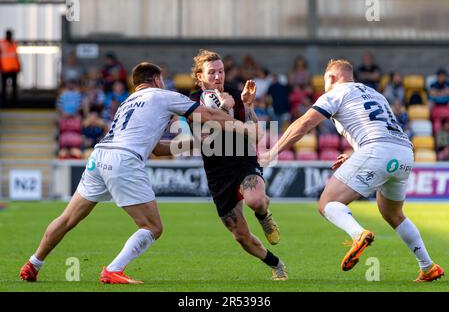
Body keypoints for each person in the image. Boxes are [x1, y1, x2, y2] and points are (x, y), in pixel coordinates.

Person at [19, 62, 245, 284]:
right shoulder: (162, 95)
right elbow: (212, 117)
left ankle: (33, 263)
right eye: (162, 80)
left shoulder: (128, 102)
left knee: (67, 218)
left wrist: (195, 142)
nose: (164, 83)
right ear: (156, 80)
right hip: (123, 160)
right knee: (153, 227)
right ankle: (113, 270)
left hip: (99, 157)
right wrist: (230, 111)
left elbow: (156, 149)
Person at [261, 59, 444, 282]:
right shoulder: (375, 94)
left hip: (378, 149)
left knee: (327, 203)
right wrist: (355, 155)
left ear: (331, 78)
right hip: (404, 151)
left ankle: (358, 234)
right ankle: (427, 267)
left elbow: (304, 124)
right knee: (393, 213)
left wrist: (272, 152)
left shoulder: (336, 92)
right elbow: (378, 126)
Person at [188, 49, 287, 281]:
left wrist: (249, 107)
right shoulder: (191, 102)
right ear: (200, 76)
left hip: (243, 159)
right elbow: (204, 136)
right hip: (217, 171)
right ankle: (276, 263)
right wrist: (223, 109)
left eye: (221, 71)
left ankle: (264, 215)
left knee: (256, 200)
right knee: (241, 235)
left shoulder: (235, 95)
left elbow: (256, 134)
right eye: (211, 72)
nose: (218, 76)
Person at [0, 29, 21, 108]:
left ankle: (14, 104)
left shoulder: (14, 44)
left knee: (14, 88)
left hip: (13, 69)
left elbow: (16, 56)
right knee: (4, 88)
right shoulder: (1, 43)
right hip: (4, 69)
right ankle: (4, 104)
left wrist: (19, 65)